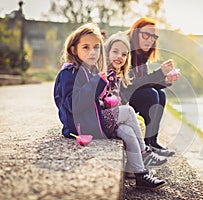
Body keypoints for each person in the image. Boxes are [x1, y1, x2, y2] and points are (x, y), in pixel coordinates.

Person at [53, 23, 166, 190]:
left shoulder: (89, 70)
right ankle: (145, 152)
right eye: (86, 47)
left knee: (127, 132)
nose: (92, 52)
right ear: (73, 49)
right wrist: (98, 82)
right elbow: (73, 105)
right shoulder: (70, 72)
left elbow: (94, 99)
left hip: (95, 119)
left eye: (96, 47)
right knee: (127, 112)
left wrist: (106, 98)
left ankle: (141, 175)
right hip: (82, 125)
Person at [120, 17, 180, 157]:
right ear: (136, 34)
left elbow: (145, 83)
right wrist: (159, 72)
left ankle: (152, 141)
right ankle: (145, 144)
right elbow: (131, 83)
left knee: (160, 94)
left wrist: (166, 80)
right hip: (122, 96)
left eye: (153, 37)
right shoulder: (127, 51)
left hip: (132, 93)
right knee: (150, 94)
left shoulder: (142, 56)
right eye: (146, 35)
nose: (150, 40)